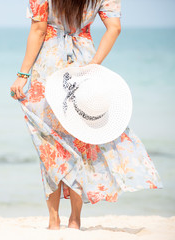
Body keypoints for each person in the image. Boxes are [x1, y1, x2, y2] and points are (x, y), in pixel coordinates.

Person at [9, 0, 163, 230]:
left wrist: (23, 73)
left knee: (50, 145)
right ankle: (75, 220)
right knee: (80, 142)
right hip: (83, 63)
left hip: (49, 66)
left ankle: (53, 221)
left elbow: (39, 29)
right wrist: (93, 64)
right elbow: (115, 28)